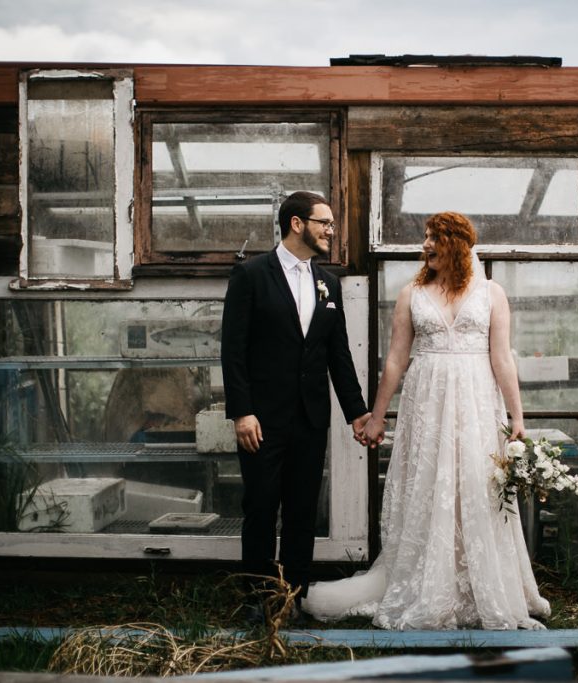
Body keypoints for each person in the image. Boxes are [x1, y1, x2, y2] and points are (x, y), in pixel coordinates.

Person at [302, 211, 550, 630]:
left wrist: (517, 417)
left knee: (474, 488)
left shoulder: (491, 294)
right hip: (427, 403)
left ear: (459, 244)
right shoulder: (411, 294)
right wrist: (376, 416)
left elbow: (502, 358)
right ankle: (427, 585)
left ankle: (477, 585)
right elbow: (396, 359)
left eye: (435, 238)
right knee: (429, 485)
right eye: (426, 237)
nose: (426, 245)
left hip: (475, 403)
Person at [221, 191, 370, 620]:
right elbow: (233, 350)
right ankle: (258, 599)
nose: (331, 230)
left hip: (310, 418)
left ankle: (295, 599)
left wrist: (356, 413)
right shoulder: (250, 275)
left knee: (303, 511)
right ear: (297, 224)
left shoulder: (329, 283)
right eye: (324, 222)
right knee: (262, 507)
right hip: (261, 420)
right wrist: (241, 412)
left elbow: (337, 355)